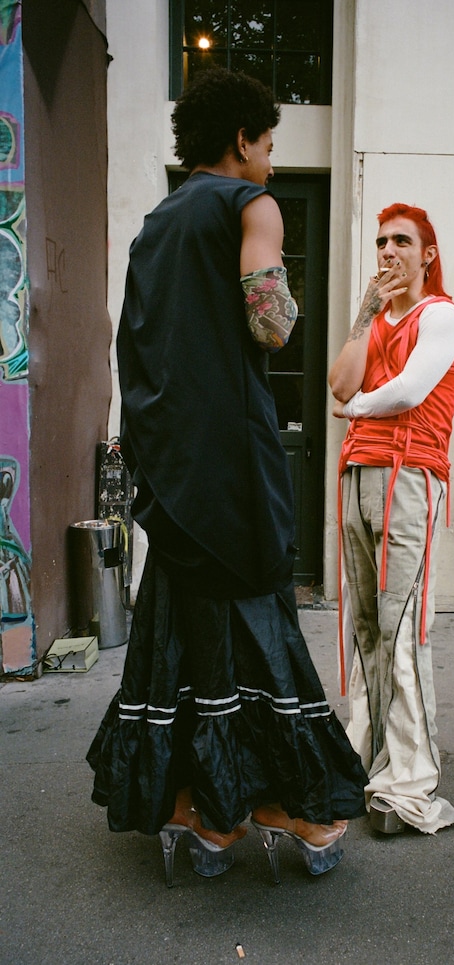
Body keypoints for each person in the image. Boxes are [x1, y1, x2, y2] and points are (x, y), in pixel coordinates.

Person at [87, 67, 367, 888]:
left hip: (171, 471)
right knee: (258, 627)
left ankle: (200, 808)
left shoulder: (152, 227)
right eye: (271, 146)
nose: (274, 164)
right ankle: (290, 805)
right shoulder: (252, 207)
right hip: (236, 468)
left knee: (187, 630)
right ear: (241, 140)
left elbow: (133, 354)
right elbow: (271, 324)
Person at [329, 203, 454, 836]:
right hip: (360, 474)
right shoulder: (380, 316)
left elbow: (408, 391)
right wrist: (365, 307)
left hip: (410, 477)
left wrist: (358, 407)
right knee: (365, 628)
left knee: (404, 630)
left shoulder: (440, 314)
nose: (388, 251)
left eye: (402, 242)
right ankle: (363, 757)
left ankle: (409, 781)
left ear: (427, 254)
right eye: (382, 241)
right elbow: (339, 382)